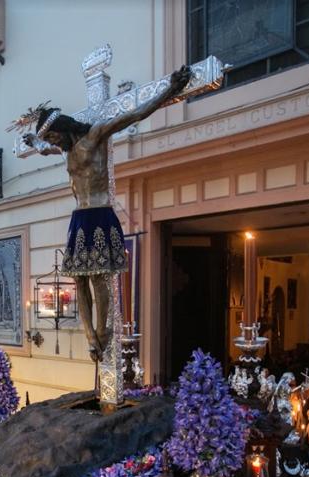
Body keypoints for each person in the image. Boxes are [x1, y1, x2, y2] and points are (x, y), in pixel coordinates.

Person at [19, 64, 192, 361]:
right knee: (79, 280)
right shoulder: (67, 151)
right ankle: (91, 338)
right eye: (51, 142)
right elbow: (47, 150)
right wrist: (35, 143)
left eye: (54, 138)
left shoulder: (95, 136)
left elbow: (134, 115)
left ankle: (104, 332)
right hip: (80, 217)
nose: (54, 144)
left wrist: (170, 90)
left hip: (99, 213)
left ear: (61, 128)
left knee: (100, 278)